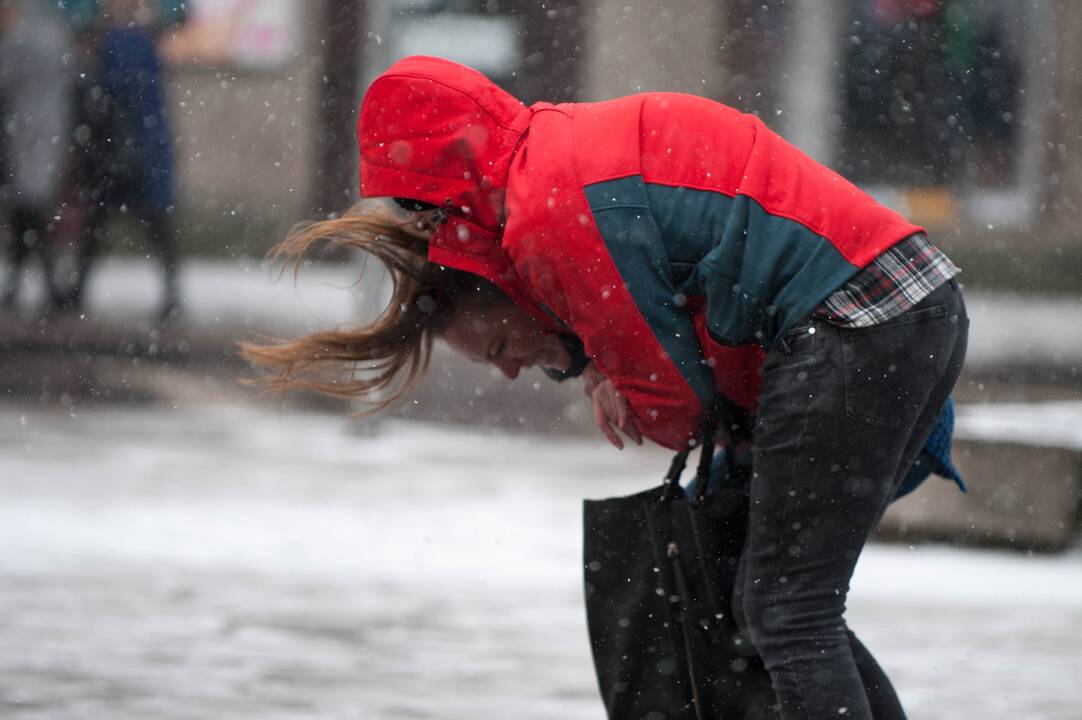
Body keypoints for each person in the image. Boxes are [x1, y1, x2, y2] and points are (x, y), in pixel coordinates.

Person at [244, 56, 969, 720]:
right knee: (779, 605)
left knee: (786, 610)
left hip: (859, 320)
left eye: (418, 204)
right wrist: (592, 363)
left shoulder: (547, 206)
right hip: (901, 303)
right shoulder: (559, 149)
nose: (425, 223)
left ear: (445, 170)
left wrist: (613, 376)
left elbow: (675, 403)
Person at [0, 0, 75, 311]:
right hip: (50, 129)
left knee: (29, 209)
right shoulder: (54, 32)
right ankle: (39, 287)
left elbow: (6, 78)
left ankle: (35, 287)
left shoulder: (21, 37)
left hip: (26, 131)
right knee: (31, 209)